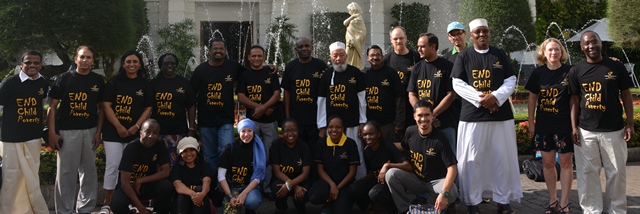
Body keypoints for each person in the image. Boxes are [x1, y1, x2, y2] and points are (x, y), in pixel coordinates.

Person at [451, 18, 522, 213]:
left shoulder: (499, 54)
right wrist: (483, 100)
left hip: (500, 116)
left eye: (485, 31)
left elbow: (510, 80)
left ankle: (503, 199)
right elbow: (457, 83)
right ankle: (473, 202)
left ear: (489, 33)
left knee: (501, 158)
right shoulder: (464, 56)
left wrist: (496, 97)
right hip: (473, 117)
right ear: (471, 35)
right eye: (478, 32)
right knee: (473, 159)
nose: (482, 34)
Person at [568, 31, 634, 214]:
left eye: (594, 42)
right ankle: (591, 210)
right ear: (582, 47)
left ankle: (617, 210)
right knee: (588, 174)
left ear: (600, 42)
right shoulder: (576, 71)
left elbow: (627, 95)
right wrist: (573, 127)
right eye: (587, 43)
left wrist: (630, 123)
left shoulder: (615, 67)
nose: (591, 46)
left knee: (617, 173)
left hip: (614, 130)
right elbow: (574, 100)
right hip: (586, 131)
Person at [48, 45, 105, 214]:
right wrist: (52, 132)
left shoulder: (98, 81)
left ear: (93, 61)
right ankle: (64, 210)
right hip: (67, 131)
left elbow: (101, 109)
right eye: (82, 57)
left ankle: (85, 209)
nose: (85, 60)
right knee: (65, 174)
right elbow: (52, 107)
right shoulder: (64, 78)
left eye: (88, 57)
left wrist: (98, 132)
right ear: (76, 58)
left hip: (90, 131)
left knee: (88, 173)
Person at [99, 50, 152, 214]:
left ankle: (125, 203)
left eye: (135, 62)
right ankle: (107, 204)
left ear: (140, 64)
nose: (132, 65)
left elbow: (148, 108)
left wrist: (136, 127)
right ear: (123, 64)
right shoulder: (114, 82)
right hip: (113, 133)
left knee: (130, 169)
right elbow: (106, 105)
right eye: (128, 61)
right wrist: (119, 126)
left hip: (134, 133)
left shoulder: (144, 84)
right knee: (113, 166)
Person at [525, 38, 574, 214]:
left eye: (557, 50)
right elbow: (532, 98)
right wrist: (531, 122)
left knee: (567, 163)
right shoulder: (538, 73)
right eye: (550, 50)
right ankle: (552, 199)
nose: (554, 53)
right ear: (544, 53)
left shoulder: (570, 72)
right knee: (547, 163)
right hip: (544, 125)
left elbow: (575, 99)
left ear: (561, 52)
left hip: (564, 125)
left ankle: (565, 202)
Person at [0, 50, 49, 213]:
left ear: (41, 65)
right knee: (11, 177)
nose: (32, 65)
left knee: (31, 176)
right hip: (11, 138)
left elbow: (42, 106)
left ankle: (31, 209)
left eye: (36, 62)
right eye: (28, 62)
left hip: (33, 137)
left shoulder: (43, 83)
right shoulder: (10, 82)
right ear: (21, 64)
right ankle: (8, 210)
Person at [191, 38, 246, 172]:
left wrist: (267, 67)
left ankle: (224, 184)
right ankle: (211, 184)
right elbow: (191, 97)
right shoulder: (200, 70)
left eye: (221, 48)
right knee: (209, 156)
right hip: (206, 121)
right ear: (209, 51)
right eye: (215, 48)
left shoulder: (233, 67)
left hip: (225, 120)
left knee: (227, 151)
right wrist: (192, 125)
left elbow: (251, 74)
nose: (218, 51)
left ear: (225, 51)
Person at [317, 41, 367, 179]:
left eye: (341, 55)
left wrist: (362, 121)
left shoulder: (355, 73)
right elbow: (321, 102)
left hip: (353, 122)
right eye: (335, 56)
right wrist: (322, 126)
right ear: (331, 57)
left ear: (346, 55)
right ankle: (333, 181)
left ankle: (358, 181)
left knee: (356, 153)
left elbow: (362, 99)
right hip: (331, 126)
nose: (339, 59)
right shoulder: (326, 75)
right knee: (332, 155)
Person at [110, 119, 173, 214]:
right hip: (129, 187)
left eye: (155, 133)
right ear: (140, 133)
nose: (151, 136)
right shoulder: (131, 148)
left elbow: (166, 172)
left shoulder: (160, 145)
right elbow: (124, 182)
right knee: (117, 205)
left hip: (148, 185)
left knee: (166, 186)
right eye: (147, 132)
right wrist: (141, 208)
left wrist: (141, 180)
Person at [408, 33, 457, 151]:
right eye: (418, 46)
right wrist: (421, 113)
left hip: (444, 124)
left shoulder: (448, 66)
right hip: (423, 125)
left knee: (450, 160)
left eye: (422, 46)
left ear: (433, 46)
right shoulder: (417, 68)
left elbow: (451, 95)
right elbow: (412, 94)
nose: (419, 49)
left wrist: (432, 114)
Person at [147, 53, 197, 167]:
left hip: (178, 131)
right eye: (166, 63)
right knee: (158, 164)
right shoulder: (154, 84)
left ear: (176, 66)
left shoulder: (184, 83)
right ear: (161, 66)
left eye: (172, 63)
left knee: (178, 163)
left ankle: (177, 183)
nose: (169, 66)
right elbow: (148, 107)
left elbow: (191, 105)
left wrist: (191, 128)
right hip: (158, 132)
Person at [348, 121, 408, 213]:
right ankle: (370, 207)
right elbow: (372, 172)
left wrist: (387, 165)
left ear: (379, 134)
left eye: (371, 134)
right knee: (353, 188)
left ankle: (394, 210)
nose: (368, 137)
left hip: (392, 182)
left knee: (375, 193)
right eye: (365, 135)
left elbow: (407, 165)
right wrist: (361, 181)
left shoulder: (388, 146)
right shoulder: (367, 152)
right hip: (377, 180)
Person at [308, 115, 360, 214]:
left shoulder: (350, 144)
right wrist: (332, 185)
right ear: (327, 128)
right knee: (314, 196)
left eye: (338, 127)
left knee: (341, 211)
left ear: (343, 128)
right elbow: (320, 169)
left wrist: (337, 188)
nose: (334, 130)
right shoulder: (321, 143)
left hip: (344, 184)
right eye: (331, 127)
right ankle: (327, 202)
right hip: (327, 182)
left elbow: (352, 172)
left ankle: (337, 201)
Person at [282, 37, 327, 148]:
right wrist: (288, 116)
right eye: (300, 47)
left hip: (315, 119)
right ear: (296, 49)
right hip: (296, 119)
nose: (304, 48)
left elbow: (326, 91)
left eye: (307, 46)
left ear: (312, 48)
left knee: (315, 150)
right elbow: (286, 92)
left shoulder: (320, 65)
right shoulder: (290, 67)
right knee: (298, 149)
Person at [237, 45, 281, 154]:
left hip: (270, 119)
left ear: (264, 57)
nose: (256, 58)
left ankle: (269, 172)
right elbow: (241, 97)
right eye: (254, 56)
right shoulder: (244, 75)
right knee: (251, 150)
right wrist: (261, 108)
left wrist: (263, 108)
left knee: (271, 150)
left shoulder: (271, 73)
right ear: (249, 57)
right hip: (252, 119)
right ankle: (254, 171)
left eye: (259, 56)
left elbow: (277, 94)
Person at [218, 119, 266, 214]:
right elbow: (221, 176)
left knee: (253, 201)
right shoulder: (229, 149)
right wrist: (230, 196)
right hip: (232, 187)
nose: (246, 134)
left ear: (254, 131)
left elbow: (258, 176)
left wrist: (244, 194)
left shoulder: (257, 150)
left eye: (250, 131)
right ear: (239, 131)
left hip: (249, 186)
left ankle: (249, 209)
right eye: (243, 131)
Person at [382, 26, 421, 140]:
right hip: (395, 109)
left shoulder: (416, 57)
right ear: (391, 40)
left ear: (406, 38)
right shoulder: (387, 59)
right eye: (395, 39)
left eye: (401, 38)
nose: (398, 41)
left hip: (412, 106)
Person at [269, 118, 312, 214]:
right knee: (277, 191)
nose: (290, 133)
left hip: (300, 180)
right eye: (286, 131)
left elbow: (305, 174)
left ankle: (300, 205)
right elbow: (276, 172)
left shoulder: (304, 146)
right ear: (282, 132)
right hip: (281, 179)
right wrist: (292, 185)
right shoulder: (276, 145)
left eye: (293, 130)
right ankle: (281, 206)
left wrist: (291, 185)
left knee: (303, 193)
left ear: (298, 131)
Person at [362, 45, 404, 143]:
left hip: (388, 125)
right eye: (372, 55)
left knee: (391, 152)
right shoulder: (363, 75)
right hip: (369, 125)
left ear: (382, 57)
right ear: (367, 58)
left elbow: (399, 99)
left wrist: (399, 123)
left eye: (378, 55)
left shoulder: (391, 73)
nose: (375, 57)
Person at [171, 137, 212, 214]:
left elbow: (207, 181)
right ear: (180, 153)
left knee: (200, 188)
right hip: (181, 205)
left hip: (200, 206)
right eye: (185, 151)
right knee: (183, 193)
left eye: (192, 150)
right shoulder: (177, 168)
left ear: (197, 151)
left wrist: (202, 194)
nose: (189, 154)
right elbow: (178, 185)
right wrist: (194, 195)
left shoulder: (204, 165)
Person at [343, 2, 366, 70]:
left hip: (354, 43)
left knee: (353, 59)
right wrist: (352, 16)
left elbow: (363, 32)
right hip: (349, 43)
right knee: (347, 59)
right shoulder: (352, 17)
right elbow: (345, 23)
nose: (349, 11)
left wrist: (356, 40)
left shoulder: (359, 19)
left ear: (354, 9)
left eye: (350, 10)